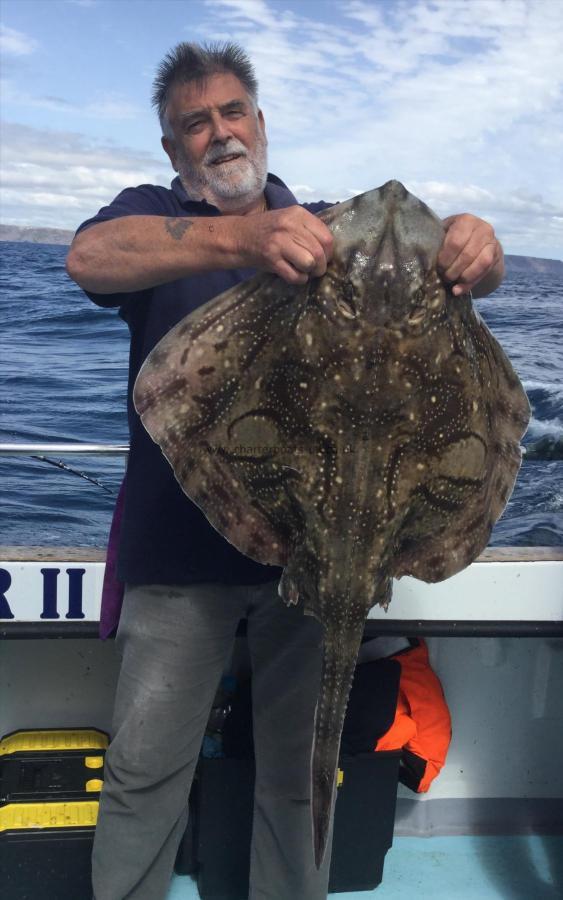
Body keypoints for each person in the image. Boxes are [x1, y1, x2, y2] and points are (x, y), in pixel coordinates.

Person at [66, 41, 505, 900]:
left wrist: (476, 252)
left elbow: (445, 267)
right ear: (172, 148)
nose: (218, 133)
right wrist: (241, 237)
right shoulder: (151, 213)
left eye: (232, 113)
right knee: (145, 773)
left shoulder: (330, 229)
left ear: (260, 124)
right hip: (177, 562)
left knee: (301, 773)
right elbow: (89, 258)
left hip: (317, 560)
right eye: (194, 123)